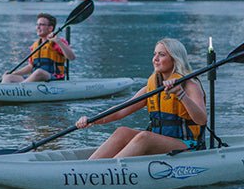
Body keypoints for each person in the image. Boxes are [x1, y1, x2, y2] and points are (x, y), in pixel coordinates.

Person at [75, 38, 207, 159]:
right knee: (122, 132)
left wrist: (181, 95)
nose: (155, 59)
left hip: (187, 144)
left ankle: (107, 172)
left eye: (162, 55)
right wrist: (92, 120)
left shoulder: (190, 85)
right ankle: (88, 168)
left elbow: (201, 120)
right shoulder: (151, 88)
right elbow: (121, 111)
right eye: (155, 54)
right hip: (160, 140)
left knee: (145, 137)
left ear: (175, 59)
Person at [1, 13, 76, 83]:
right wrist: (14, 73)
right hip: (35, 80)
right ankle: (4, 92)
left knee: (39, 72)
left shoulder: (58, 42)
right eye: (37, 24)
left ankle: (21, 88)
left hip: (54, 78)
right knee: (8, 77)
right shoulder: (35, 45)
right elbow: (30, 67)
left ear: (50, 28)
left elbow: (72, 57)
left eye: (41, 25)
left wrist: (58, 42)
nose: (38, 27)